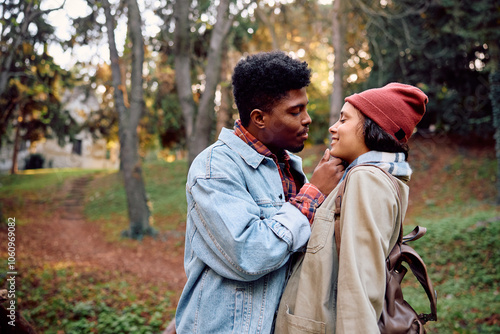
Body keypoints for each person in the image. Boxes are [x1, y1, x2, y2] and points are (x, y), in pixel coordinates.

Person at [174, 51, 345, 333]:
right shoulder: (214, 168)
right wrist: (312, 194)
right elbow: (248, 254)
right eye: (295, 111)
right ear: (259, 118)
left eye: (305, 107)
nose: (308, 119)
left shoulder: (289, 165)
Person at [275, 82, 428, 333]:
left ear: (372, 129)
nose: (333, 128)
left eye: (344, 120)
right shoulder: (366, 176)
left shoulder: (366, 179)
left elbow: (359, 287)